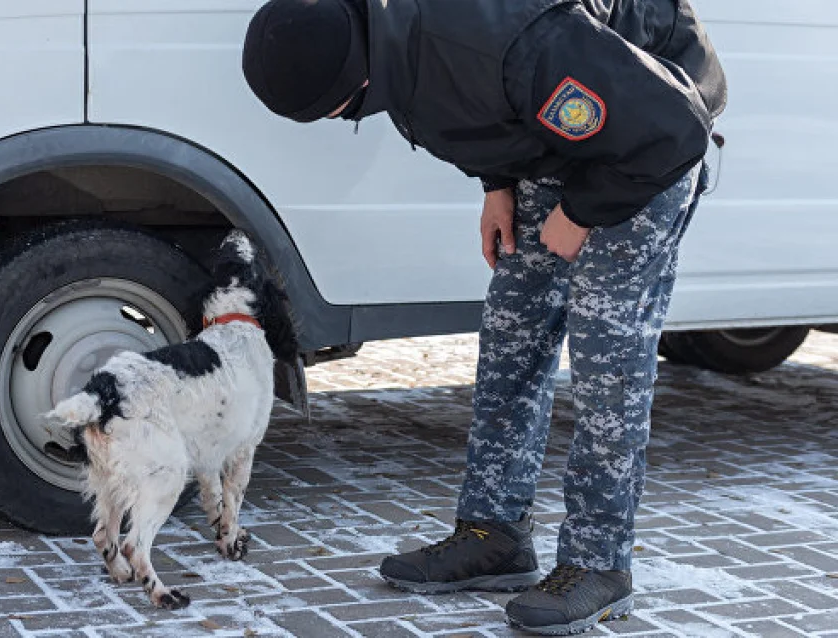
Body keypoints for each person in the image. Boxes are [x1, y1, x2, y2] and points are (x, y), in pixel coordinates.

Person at [242, 0, 726, 634]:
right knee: (511, 341)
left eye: (337, 111)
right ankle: (494, 536)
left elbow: (671, 128)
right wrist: (498, 184)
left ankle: (600, 565)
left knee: (607, 362)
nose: (341, 120)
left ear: (354, 80)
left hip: (649, 132)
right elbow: (486, 103)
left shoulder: (514, 41)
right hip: (575, 128)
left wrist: (580, 214)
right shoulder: (395, 41)